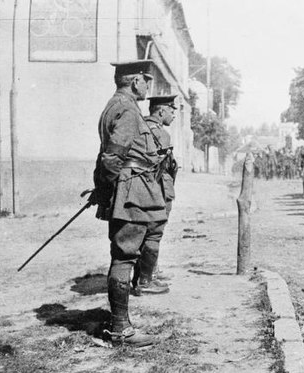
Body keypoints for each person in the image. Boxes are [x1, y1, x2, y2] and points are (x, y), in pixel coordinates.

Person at [91, 60, 166, 347]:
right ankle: (121, 329)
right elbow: (112, 157)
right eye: (146, 80)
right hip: (131, 193)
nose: (148, 86)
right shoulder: (127, 109)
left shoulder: (115, 105)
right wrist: (112, 189)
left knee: (124, 255)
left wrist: (103, 188)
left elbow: (106, 155)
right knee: (124, 257)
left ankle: (119, 323)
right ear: (134, 81)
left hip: (129, 191)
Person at [129, 95, 179, 296]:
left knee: (144, 232)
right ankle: (146, 279)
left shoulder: (140, 127)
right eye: (171, 110)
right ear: (160, 111)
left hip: (142, 189)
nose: (173, 114)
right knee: (154, 233)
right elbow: (164, 167)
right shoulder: (161, 134)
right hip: (159, 188)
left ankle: (146, 275)